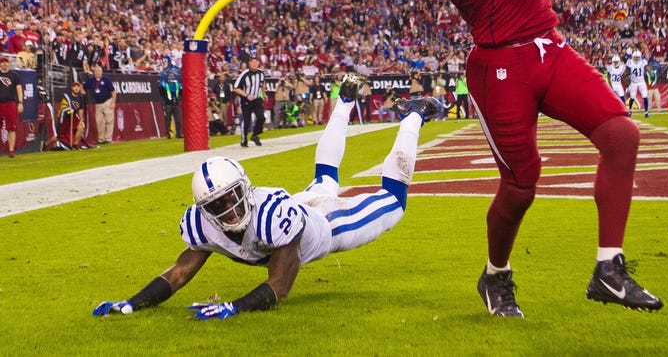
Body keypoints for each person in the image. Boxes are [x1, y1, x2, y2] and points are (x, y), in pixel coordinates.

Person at [365, 0, 662, 316]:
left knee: (621, 134)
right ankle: (496, 274)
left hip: (550, 46)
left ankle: (608, 268)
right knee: (522, 183)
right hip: (501, 66)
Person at [91, 89, 442, 319]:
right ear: (204, 209)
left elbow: (281, 285)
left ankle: (415, 115)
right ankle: (346, 99)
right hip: (300, 204)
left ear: (245, 188)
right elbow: (179, 272)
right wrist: (133, 302)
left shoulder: (272, 216)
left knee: (393, 202)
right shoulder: (203, 224)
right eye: (218, 204)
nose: (229, 209)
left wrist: (235, 306)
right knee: (324, 179)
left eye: (232, 197)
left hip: (328, 224)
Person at [233, 56, 266, 147]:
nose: (255, 64)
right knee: (247, 121)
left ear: (259, 63)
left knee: (262, 118)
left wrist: (264, 94)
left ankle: (255, 135)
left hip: (257, 99)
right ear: (249, 64)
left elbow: (263, 83)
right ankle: (244, 140)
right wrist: (246, 95)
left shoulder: (261, 73)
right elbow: (235, 88)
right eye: (253, 62)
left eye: (256, 62)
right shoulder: (245, 74)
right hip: (246, 100)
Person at [83, 63, 116, 144]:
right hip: (98, 104)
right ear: (94, 72)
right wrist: (82, 90)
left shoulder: (106, 80)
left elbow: (113, 91)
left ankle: (108, 138)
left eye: (99, 71)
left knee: (109, 120)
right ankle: (101, 139)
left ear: (101, 72)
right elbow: (83, 85)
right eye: (96, 71)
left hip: (107, 101)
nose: (98, 73)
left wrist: (113, 102)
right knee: (99, 121)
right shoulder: (91, 81)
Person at [0, 55, 23, 158]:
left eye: (6, 62)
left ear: (9, 63)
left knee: (11, 128)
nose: (4, 64)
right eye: (2, 62)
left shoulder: (14, 75)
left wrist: (20, 102)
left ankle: (11, 150)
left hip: (10, 103)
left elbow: (19, 89)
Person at [159, 58, 183, 139]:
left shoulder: (177, 84)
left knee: (178, 119)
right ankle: (168, 134)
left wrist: (178, 98)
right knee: (168, 119)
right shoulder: (163, 82)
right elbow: (161, 91)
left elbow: (180, 90)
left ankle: (178, 133)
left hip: (176, 102)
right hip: (168, 103)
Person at [626, 50, 649, 117]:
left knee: (645, 96)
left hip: (641, 81)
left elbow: (646, 68)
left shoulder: (643, 62)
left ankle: (646, 112)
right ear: (633, 57)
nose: (636, 59)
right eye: (635, 57)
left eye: (637, 57)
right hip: (633, 82)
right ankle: (629, 111)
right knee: (632, 97)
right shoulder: (629, 62)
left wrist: (650, 72)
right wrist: (628, 75)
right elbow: (627, 71)